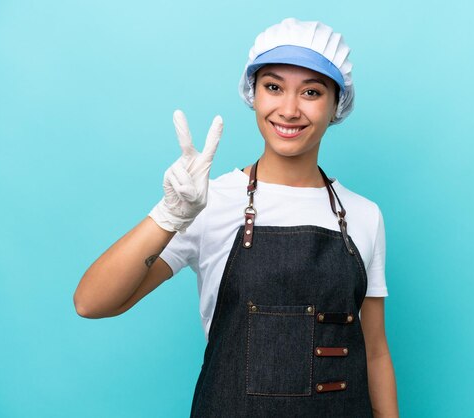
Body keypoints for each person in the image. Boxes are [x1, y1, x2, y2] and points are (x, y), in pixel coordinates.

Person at [74, 18, 399, 417]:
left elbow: (376, 352)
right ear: (253, 93)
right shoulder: (210, 201)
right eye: (274, 87)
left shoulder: (364, 216)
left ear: (337, 104)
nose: (289, 109)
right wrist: (169, 215)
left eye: (311, 92)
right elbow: (92, 303)